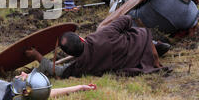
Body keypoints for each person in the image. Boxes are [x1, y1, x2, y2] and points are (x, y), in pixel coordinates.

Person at [24, 15, 171, 79]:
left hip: (134, 60)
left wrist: (38, 57)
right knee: (140, 35)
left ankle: (155, 46)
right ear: (81, 38)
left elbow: (59, 71)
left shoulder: (81, 66)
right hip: (139, 43)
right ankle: (154, 47)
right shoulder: (103, 33)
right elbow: (127, 19)